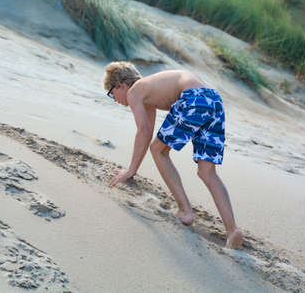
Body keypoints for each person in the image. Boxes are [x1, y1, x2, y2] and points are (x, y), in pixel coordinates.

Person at [104, 61, 243, 249]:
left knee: (158, 151)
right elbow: (146, 134)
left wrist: (130, 170)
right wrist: (133, 168)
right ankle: (232, 230)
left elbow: (143, 131)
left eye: (112, 94)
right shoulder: (148, 93)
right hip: (214, 101)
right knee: (207, 172)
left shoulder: (134, 91)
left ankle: (185, 210)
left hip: (193, 98)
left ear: (120, 84)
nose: (116, 100)